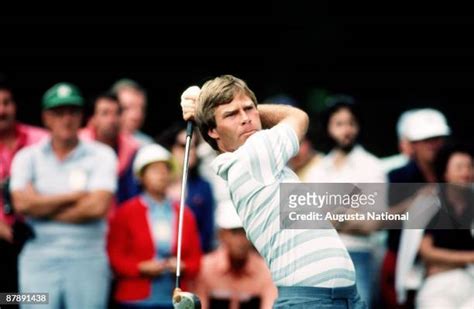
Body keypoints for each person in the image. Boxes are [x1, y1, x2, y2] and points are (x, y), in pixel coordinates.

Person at [180, 75, 365, 308]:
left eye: (249, 109)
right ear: (213, 131)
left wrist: (205, 107)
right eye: (231, 114)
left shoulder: (253, 159)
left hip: (340, 297)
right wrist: (205, 106)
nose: (245, 119)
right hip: (311, 300)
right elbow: (298, 117)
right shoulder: (252, 156)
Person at [10, 82, 117, 309]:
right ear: (46, 118)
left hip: (88, 259)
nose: (66, 119)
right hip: (36, 259)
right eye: (58, 113)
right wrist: (74, 197)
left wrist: (38, 204)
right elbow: (20, 204)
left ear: (81, 116)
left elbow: (97, 208)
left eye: (72, 112)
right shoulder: (26, 157)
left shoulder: (103, 155)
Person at [305, 97, 387, 308]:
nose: (346, 130)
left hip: (359, 254)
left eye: (351, 123)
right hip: (322, 256)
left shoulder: (371, 166)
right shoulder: (319, 169)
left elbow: (374, 223)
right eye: (339, 124)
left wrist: (333, 217)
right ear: (328, 127)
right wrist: (350, 214)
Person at [107, 143, 202, 309]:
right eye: (154, 170)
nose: (161, 175)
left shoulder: (184, 214)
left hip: (174, 300)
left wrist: (182, 266)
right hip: (135, 300)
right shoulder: (126, 212)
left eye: (165, 169)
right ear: (141, 176)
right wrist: (140, 268)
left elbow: (195, 259)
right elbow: (115, 257)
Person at [382, 108, 450, 308]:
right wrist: (414, 202)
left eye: (437, 138)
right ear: (413, 144)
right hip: (400, 261)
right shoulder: (396, 177)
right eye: (426, 139)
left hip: (445, 265)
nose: (433, 145)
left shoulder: (455, 175)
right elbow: (382, 219)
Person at [0, 81, 48, 293]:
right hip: (2, 237)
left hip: (40, 234)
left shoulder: (41, 140)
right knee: (6, 298)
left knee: (39, 297)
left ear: (15, 106)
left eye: (6, 103)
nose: (2, 110)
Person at [415, 144, 474, 308]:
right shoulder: (432, 204)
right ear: (446, 173)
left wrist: (445, 262)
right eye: (459, 167)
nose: (466, 173)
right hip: (438, 286)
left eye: (470, 167)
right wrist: (469, 258)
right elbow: (426, 251)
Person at [196, 202, 277, 309]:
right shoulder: (204, 268)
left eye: (245, 232)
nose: (241, 240)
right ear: (221, 235)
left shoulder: (266, 272)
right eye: (235, 232)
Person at [157, 122, 216, 253]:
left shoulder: (203, 187)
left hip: (194, 260)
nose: (191, 150)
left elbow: (207, 232)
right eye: (184, 146)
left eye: (195, 145)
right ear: (170, 148)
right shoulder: (156, 184)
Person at [79, 92, 141, 205]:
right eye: (105, 113)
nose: (112, 120)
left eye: (117, 113)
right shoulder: (77, 145)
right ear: (92, 119)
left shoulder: (133, 149)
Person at [111, 78, 154, 146]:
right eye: (127, 108)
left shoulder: (148, 145)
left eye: (142, 109)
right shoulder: (90, 143)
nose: (137, 116)